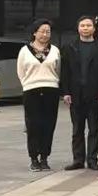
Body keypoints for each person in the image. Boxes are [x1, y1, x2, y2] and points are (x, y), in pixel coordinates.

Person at [60, 15, 98, 171]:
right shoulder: (70, 47)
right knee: (77, 129)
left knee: (94, 128)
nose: (85, 28)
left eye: (88, 25)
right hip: (75, 94)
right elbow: (65, 72)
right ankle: (78, 159)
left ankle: (92, 159)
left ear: (94, 28)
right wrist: (66, 92)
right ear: (78, 28)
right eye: (82, 25)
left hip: (95, 94)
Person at [17, 19, 61, 172]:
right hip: (31, 90)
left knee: (48, 125)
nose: (45, 34)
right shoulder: (24, 51)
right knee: (33, 125)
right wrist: (28, 84)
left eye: (48, 31)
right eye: (42, 31)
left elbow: (58, 70)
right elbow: (21, 72)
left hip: (51, 90)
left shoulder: (55, 50)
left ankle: (44, 157)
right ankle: (34, 158)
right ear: (35, 32)